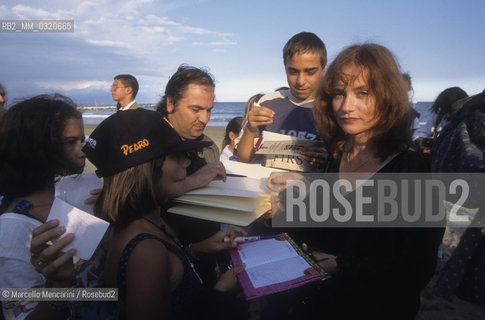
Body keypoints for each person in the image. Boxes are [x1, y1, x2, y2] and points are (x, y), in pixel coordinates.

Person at [266, 43, 444, 319]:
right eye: (339, 93)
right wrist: (284, 211)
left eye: (363, 93)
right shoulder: (337, 154)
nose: (347, 106)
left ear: (387, 97)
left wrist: (343, 265)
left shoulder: (411, 168)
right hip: (321, 300)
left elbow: (417, 269)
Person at [80, 109, 247, 319]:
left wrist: (196, 249)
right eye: (177, 156)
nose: (187, 162)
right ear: (146, 171)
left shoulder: (147, 221)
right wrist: (221, 291)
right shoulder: (146, 252)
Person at [0, 94, 87, 319]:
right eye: (71, 142)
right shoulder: (12, 229)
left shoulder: (65, 200)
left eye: (82, 141)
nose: (82, 151)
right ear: (37, 147)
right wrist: (58, 288)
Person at [237, 32, 328, 172]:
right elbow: (242, 159)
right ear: (285, 67)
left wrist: (327, 162)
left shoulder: (332, 109)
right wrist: (250, 129)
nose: (300, 81)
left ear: (323, 69)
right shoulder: (269, 102)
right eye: (292, 72)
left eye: (310, 72)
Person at [414, 87, 468, 151]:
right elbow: (425, 130)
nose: (446, 115)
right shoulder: (439, 115)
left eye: (449, 111)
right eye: (444, 111)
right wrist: (422, 139)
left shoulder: (469, 124)